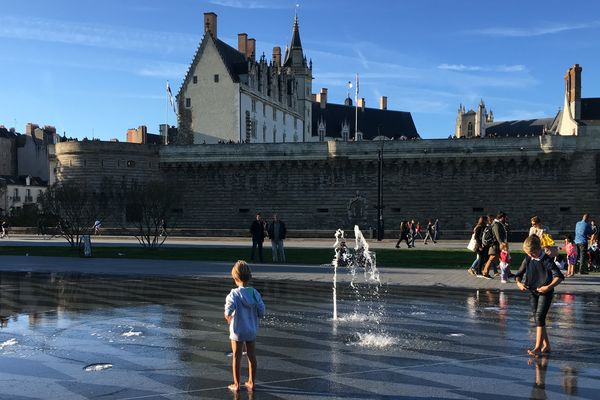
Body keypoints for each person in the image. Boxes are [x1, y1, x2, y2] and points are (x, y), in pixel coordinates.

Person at [515, 235, 564, 357]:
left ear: (538, 249)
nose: (530, 255)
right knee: (538, 319)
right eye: (528, 253)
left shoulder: (546, 260)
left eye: (532, 253)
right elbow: (519, 274)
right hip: (533, 292)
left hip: (545, 293)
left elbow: (559, 276)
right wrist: (519, 283)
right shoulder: (528, 259)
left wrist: (548, 287)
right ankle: (546, 345)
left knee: (540, 317)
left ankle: (537, 347)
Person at [224, 261, 265, 392]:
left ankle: (236, 384)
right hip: (251, 329)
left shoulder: (234, 294)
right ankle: (251, 382)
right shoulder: (254, 293)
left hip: (237, 330)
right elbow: (261, 310)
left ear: (235, 278)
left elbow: (228, 310)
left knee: (237, 356)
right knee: (252, 356)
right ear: (249, 277)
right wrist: (258, 314)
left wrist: (228, 316)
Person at [481, 212, 508, 279]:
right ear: (502, 218)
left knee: (503, 259)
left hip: (497, 245)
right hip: (495, 245)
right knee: (491, 258)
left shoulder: (499, 224)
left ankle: (507, 273)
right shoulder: (496, 224)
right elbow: (497, 235)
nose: (506, 219)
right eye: (505, 218)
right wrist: (501, 243)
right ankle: (485, 272)